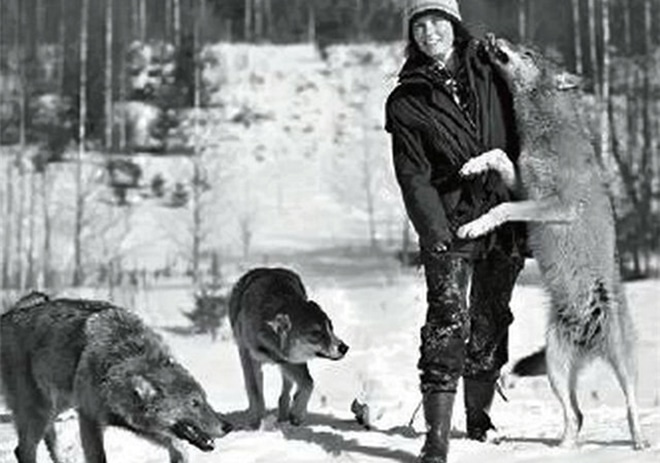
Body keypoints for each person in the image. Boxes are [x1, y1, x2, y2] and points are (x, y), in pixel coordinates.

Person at [384, 1, 527, 462]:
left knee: (491, 317)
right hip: (449, 221)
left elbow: (530, 110)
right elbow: (413, 174)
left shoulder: (490, 68)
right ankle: (437, 438)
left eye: (437, 21)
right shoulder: (406, 99)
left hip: (503, 216)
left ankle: (478, 419)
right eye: (419, 25)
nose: (430, 33)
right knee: (447, 320)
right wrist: (433, 230)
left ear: (454, 23)